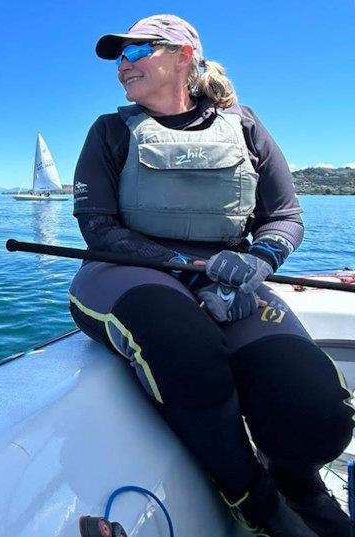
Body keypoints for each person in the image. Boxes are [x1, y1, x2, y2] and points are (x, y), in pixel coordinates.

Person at [69, 14, 354, 537]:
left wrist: (258, 261)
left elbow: (285, 215)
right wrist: (194, 272)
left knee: (319, 412)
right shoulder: (109, 132)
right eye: (117, 58)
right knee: (185, 345)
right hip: (125, 270)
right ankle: (255, 500)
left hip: (233, 280)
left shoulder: (244, 126)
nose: (122, 66)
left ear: (184, 55)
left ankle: (297, 482)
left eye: (135, 52)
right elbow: (99, 229)